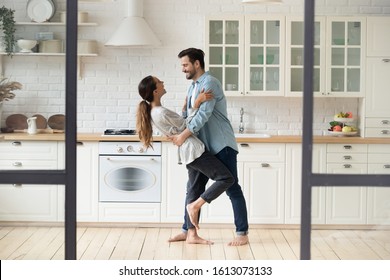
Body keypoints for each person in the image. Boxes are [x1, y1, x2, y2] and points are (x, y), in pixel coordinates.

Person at [136, 75, 235, 245]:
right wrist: (196, 105)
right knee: (226, 178)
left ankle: (190, 233)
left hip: (188, 152)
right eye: (159, 82)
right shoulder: (160, 111)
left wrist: (185, 108)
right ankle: (195, 206)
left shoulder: (156, 111)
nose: (163, 82)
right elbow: (188, 127)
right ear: (155, 91)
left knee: (194, 189)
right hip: (194, 151)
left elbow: (180, 124)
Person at [168, 48, 249, 246]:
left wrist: (182, 136)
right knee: (193, 187)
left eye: (185, 65)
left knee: (232, 187)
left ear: (197, 64)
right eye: (182, 65)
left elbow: (202, 116)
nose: (183, 69)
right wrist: (190, 106)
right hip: (202, 147)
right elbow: (189, 114)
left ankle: (242, 233)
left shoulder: (209, 83)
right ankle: (188, 231)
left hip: (221, 144)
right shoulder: (193, 86)